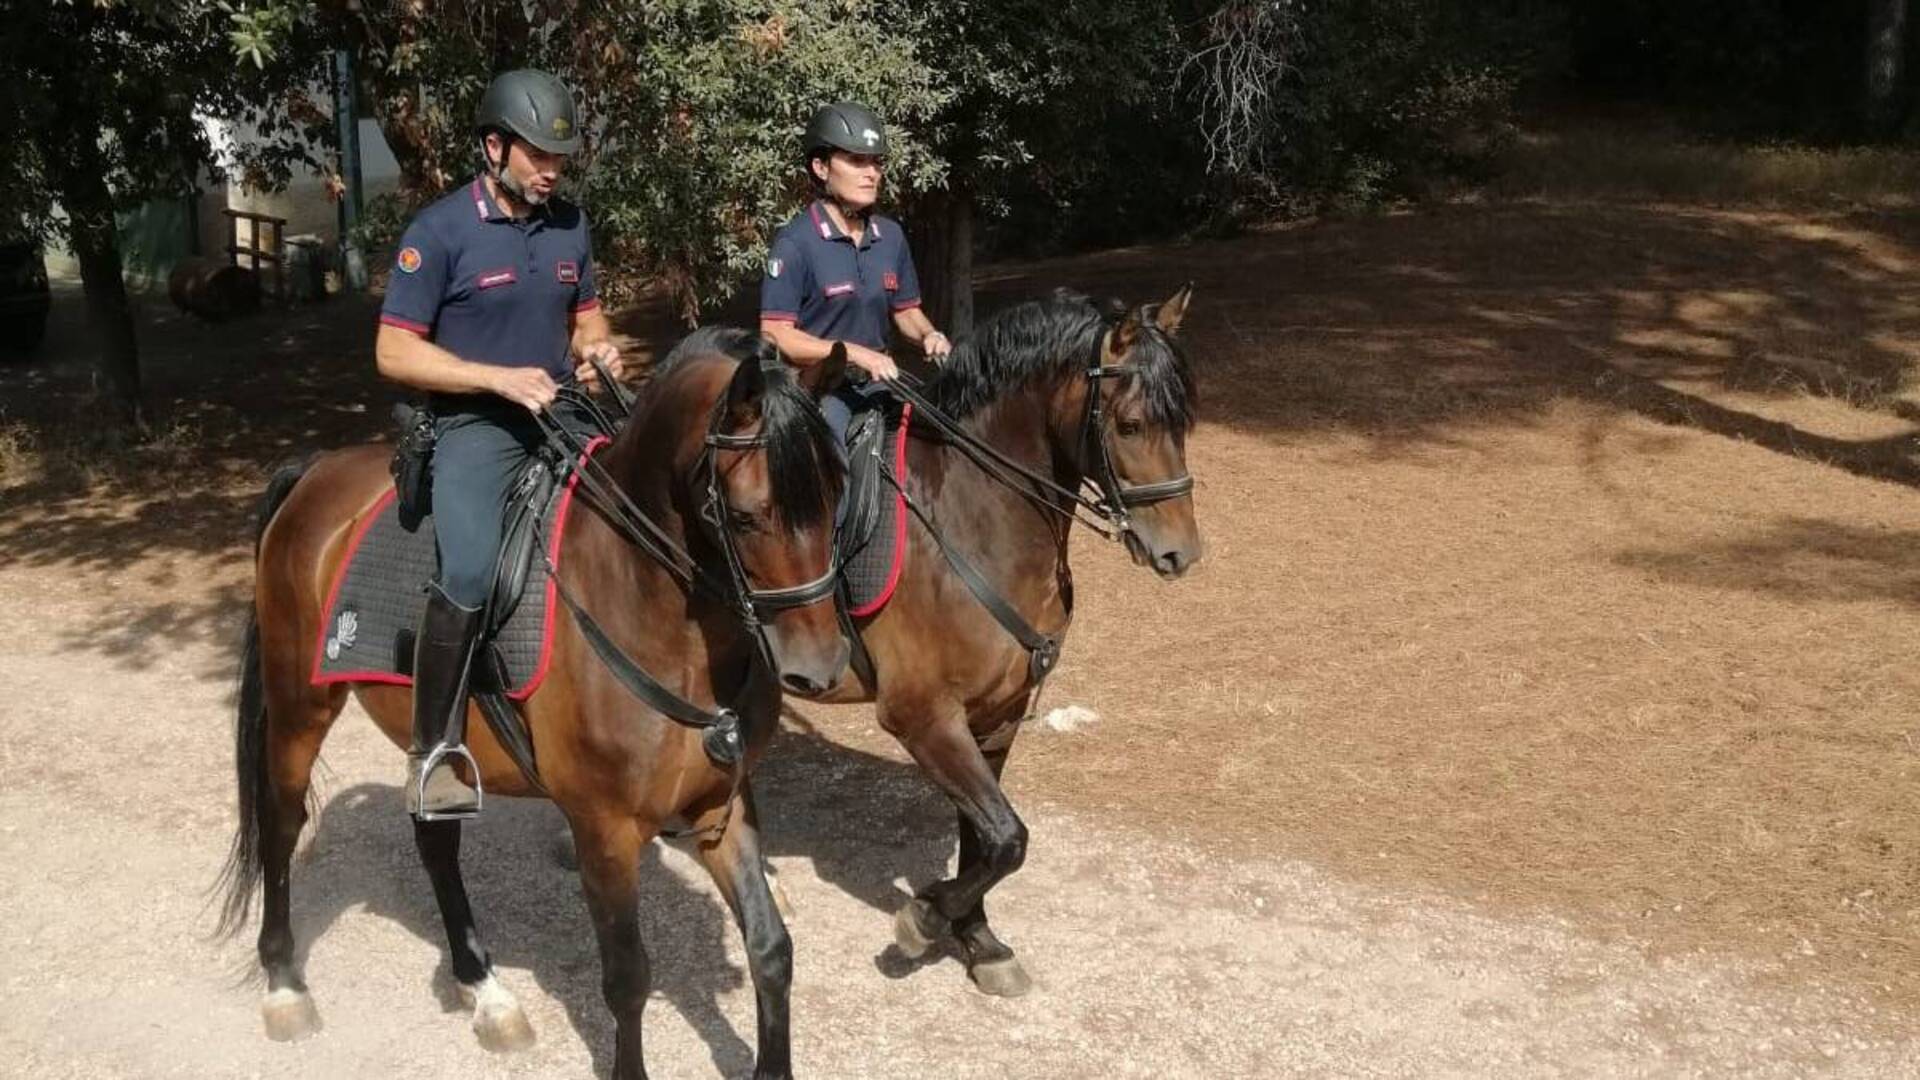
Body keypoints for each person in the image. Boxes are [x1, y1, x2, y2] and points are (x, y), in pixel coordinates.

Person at [374, 69, 624, 820]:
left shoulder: (569, 224)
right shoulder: (439, 232)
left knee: (640, 519)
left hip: (562, 409)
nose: (553, 170)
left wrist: (600, 349)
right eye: (539, 156)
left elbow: (588, 316)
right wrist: (494, 380)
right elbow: (392, 351)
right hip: (474, 425)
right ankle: (436, 751)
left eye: (562, 159)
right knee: (474, 568)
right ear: (493, 147)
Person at [758, 101, 950, 451]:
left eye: (876, 162)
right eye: (856, 160)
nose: (871, 172)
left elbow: (906, 311)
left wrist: (928, 334)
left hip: (882, 381)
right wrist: (856, 354)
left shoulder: (890, 236)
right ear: (820, 167)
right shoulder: (795, 243)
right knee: (837, 470)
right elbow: (776, 335)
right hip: (819, 391)